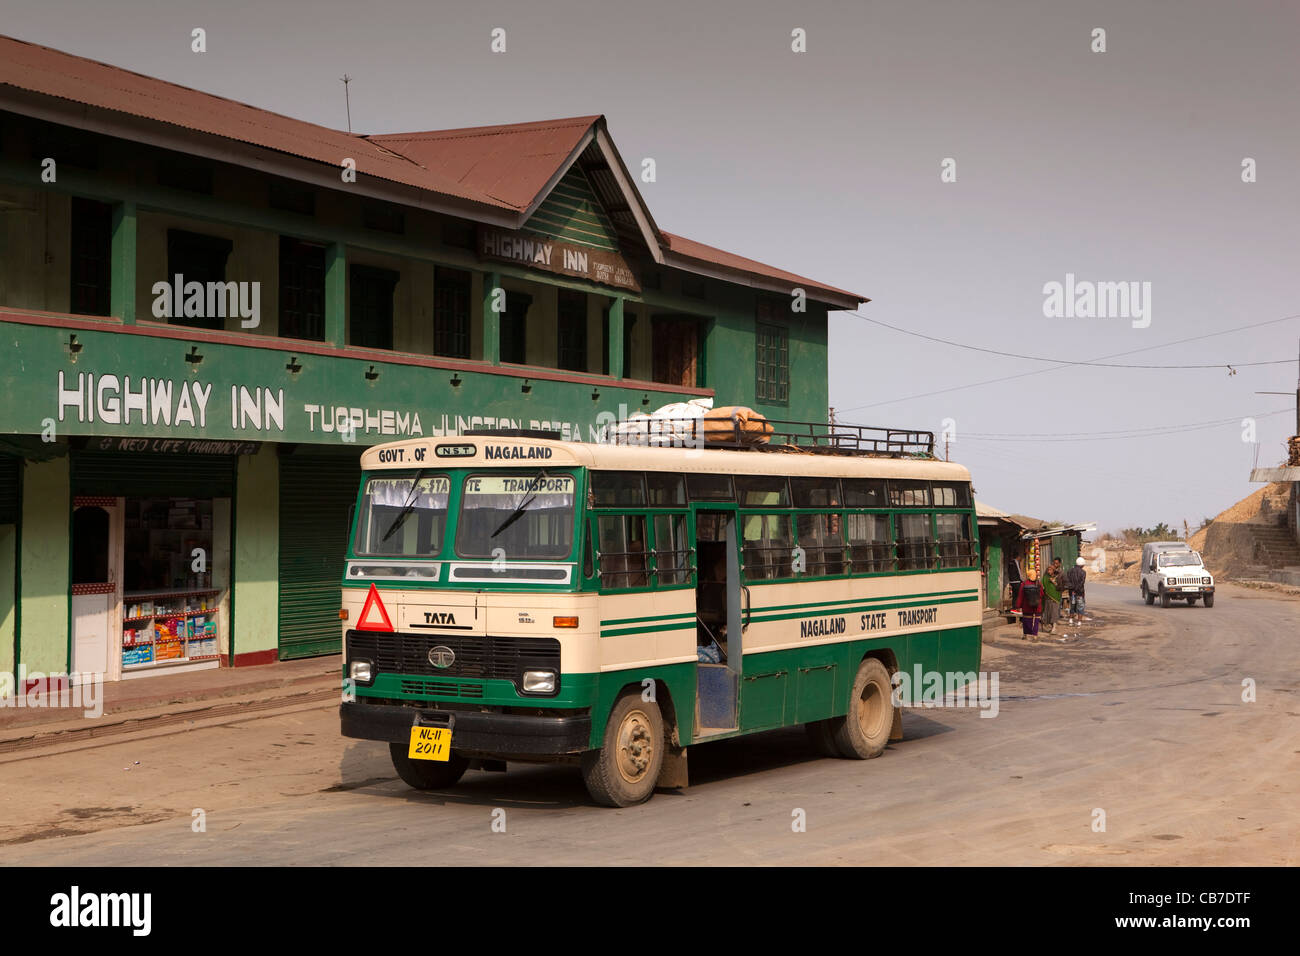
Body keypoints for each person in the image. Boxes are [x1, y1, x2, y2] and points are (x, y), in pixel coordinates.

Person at [1014, 568, 1044, 641]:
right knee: (1036, 621)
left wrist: (1018, 606)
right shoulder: (1039, 583)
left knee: (1027, 620)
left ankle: (1026, 635)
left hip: (1026, 605)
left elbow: (1020, 596)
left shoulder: (1024, 584)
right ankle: (1035, 636)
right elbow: (1042, 594)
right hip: (1037, 606)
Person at [1042, 559, 1062, 633]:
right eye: (1048, 570)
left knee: (1054, 613)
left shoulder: (1058, 577)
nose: (1049, 571)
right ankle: (1051, 626)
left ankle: (1054, 627)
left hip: (1055, 598)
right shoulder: (1045, 577)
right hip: (1047, 598)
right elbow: (1043, 585)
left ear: (1053, 571)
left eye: (1051, 570)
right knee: (1048, 613)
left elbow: (1061, 587)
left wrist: (1054, 583)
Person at [1065, 556, 1087, 623]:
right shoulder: (1083, 572)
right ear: (1082, 564)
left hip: (1072, 593)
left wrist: (1073, 589)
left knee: (1072, 606)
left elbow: (1068, 582)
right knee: (1080, 607)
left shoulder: (1069, 571)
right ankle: (1079, 622)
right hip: (1080, 593)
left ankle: (1070, 620)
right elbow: (1081, 583)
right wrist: (1076, 589)